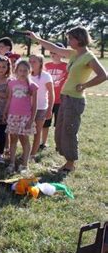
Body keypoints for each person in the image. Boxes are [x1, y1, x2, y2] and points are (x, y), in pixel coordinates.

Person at [27, 27, 107, 173]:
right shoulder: (74, 54)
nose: (68, 41)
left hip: (75, 100)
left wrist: (84, 85)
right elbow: (53, 47)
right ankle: (66, 162)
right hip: (65, 98)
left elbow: (103, 75)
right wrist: (37, 39)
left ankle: (70, 164)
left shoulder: (88, 57)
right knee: (60, 131)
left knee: (69, 131)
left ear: (79, 38)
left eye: (70, 38)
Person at [4, 60, 38, 174]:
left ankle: (24, 165)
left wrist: (32, 119)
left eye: (25, 70)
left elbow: (34, 105)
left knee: (24, 140)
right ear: (16, 71)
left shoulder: (32, 86)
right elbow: (9, 98)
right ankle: (12, 163)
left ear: (29, 71)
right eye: (20, 70)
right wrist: (5, 111)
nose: (22, 73)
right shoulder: (11, 83)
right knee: (13, 139)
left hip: (26, 117)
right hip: (13, 115)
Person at [41, 43, 68, 150]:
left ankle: (59, 144)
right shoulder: (46, 66)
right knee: (45, 123)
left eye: (55, 53)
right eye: (51, 52)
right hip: (48, 100)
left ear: (62, 54)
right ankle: (43, 143)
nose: (53, 55)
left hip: (61, 100)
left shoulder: (67, 66)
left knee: (59, 124)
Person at [29, 54, 54, 159]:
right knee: (24, 132)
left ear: (40, 63)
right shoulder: (26, 75)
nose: (31, 63)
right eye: (30, 61)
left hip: (41, 108)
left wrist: (49, 110)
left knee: (37, 131)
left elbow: (51, 94)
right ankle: (26, 152)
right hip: (27, 108)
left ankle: (33, 154)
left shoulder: (46, 76)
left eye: (34, 61)